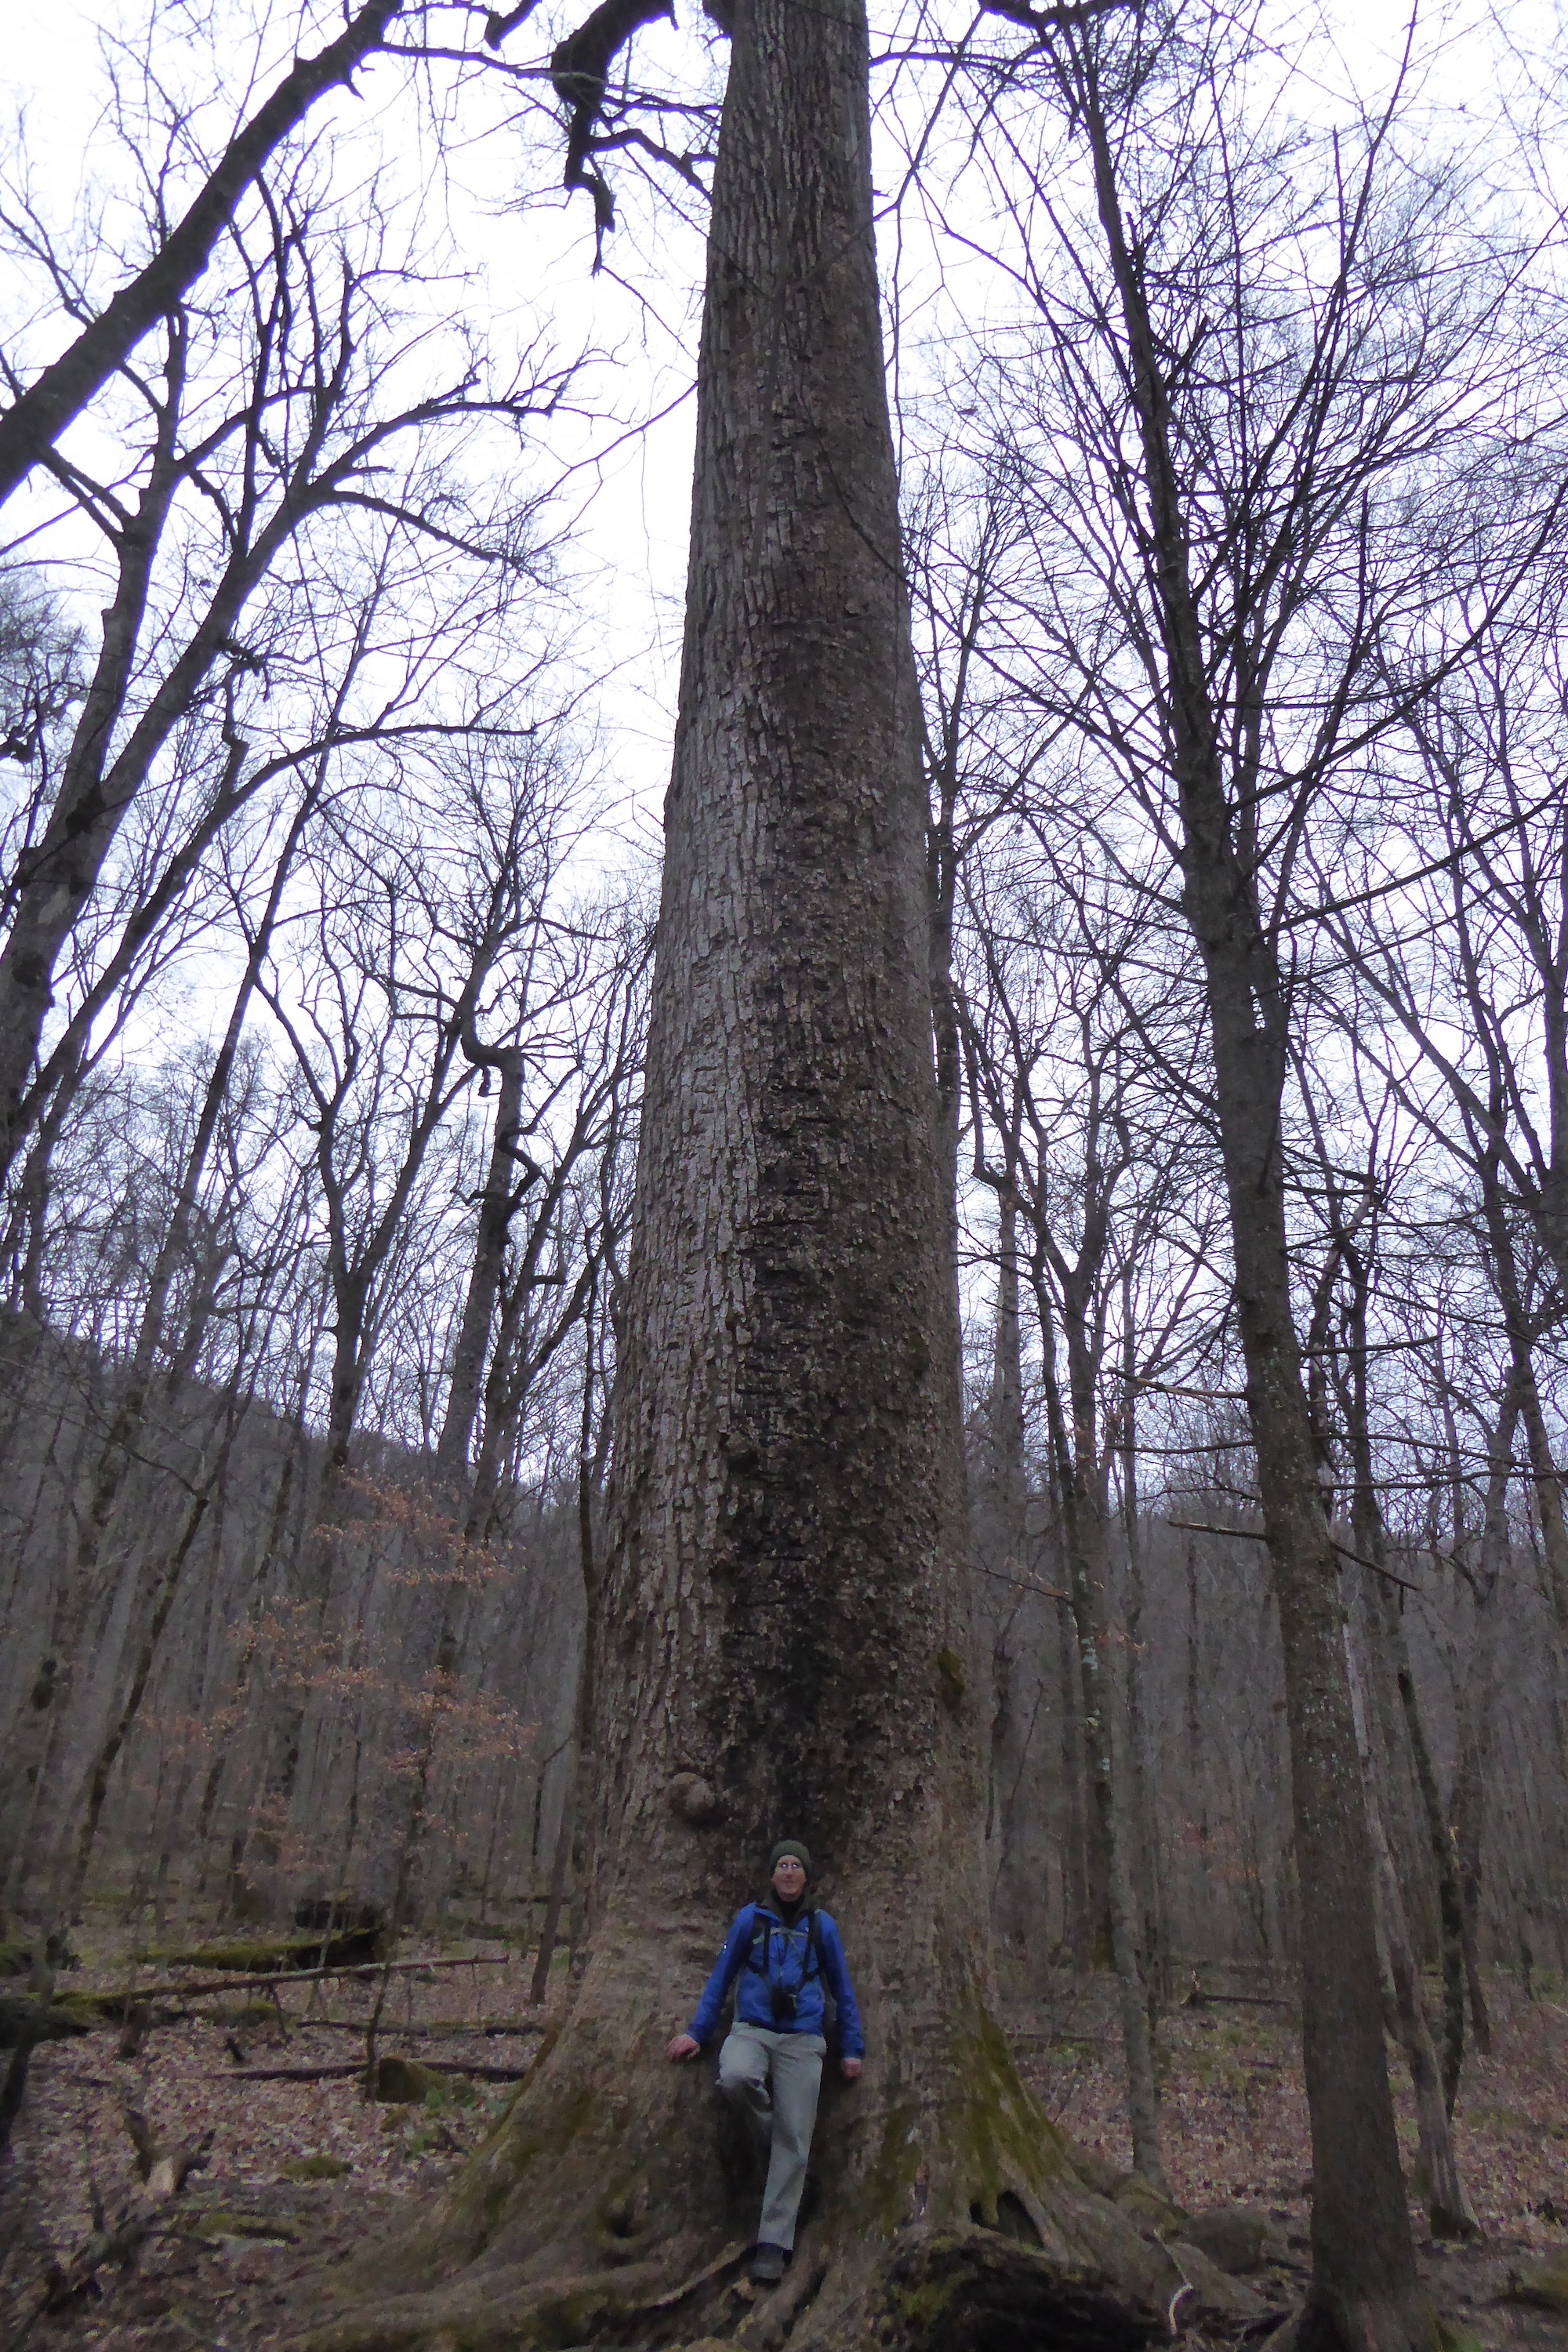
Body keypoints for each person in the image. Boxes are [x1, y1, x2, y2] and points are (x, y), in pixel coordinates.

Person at [666, 1837, 863, 2284]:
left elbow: (843, 1990)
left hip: (803, 2040)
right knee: (736, 2078)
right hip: (751, 2031)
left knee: (797, 2133)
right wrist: (697, 2032)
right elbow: (721, 1977)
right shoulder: (749, 1921)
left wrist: (852, 2048)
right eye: (783, 1865)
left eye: (797, 1865)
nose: (790, 1873)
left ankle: (773, 2244)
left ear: (807, 1875)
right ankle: (781, 2155)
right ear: (772, 1874)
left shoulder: (822, 1926)